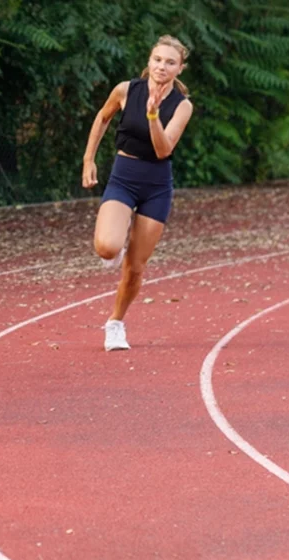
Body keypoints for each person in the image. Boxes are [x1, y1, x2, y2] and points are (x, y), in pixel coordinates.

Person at [82, 35, 194, 352]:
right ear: (149, 60)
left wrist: (153, 116)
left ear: (180, 68)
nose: (162, 66)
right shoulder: (126, 90)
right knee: (106, 248)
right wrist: (88, 159)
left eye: (170, 62)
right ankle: (117, 243)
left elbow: (163, 149)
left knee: (135, 268)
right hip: (124, 177)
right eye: (157, 59)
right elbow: (103, 117)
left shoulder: (182, 106)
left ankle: (115, 323)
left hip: (156, 186)